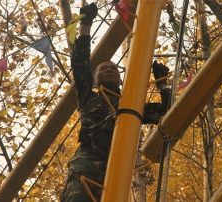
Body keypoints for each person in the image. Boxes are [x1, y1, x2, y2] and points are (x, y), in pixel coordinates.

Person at [60, 3, 171, 202]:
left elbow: (166, 114)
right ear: (94, 81)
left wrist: (162, 84)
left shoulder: (132, 105)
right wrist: (86, 24)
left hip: (118, 168)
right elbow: (80, 62)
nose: (109, 70)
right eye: (103, 68)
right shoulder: (89, 97)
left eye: (114, 68)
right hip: (87, 165)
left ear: (121, 80)